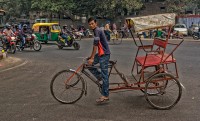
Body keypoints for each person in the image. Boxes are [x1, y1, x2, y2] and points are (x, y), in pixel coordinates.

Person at [87, 17, 111, 103]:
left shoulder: (97, 30)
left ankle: (105, 95)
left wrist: (92, 58)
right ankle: (99, 76)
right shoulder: (96, 30)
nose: (91, 25)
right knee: (88, 64)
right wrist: (90, 57)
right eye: (90, 24)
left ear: (96, 23)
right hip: (101, 53)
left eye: (92, 23)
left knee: (105, 76)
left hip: (104, 54)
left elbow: (95, 45)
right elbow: (95, 45)